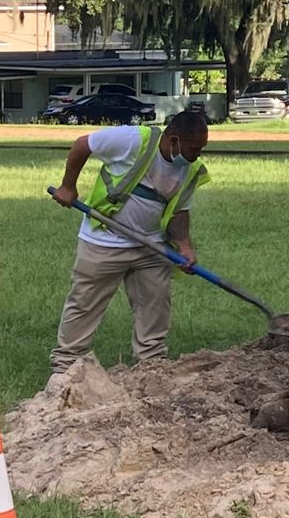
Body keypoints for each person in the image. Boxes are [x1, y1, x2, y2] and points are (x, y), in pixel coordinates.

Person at [48, 104, 211, 376]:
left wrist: (184, 246)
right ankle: (65, 369)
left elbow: (179, 210)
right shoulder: (134, 140)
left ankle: (151, 365)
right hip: (104, 241)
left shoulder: (191, 170)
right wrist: (68, 186)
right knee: (84, 304)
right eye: (194, 149)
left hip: (151, 246)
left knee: (155, 305)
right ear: (174, 141)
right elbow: (81, 145)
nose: (197, 156)